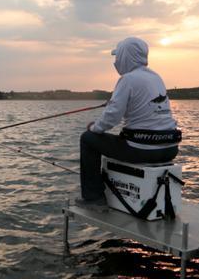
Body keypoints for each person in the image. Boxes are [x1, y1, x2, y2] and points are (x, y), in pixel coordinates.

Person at [77, 37, 181, 210]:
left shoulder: (128, 79)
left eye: (117, 57)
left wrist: (95, 127)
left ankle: (93, 198)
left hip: (142, 151)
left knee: (88, 139)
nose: (116, 61)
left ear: (126, 56)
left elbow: (112, 116)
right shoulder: (156, 78)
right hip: (170, 149)